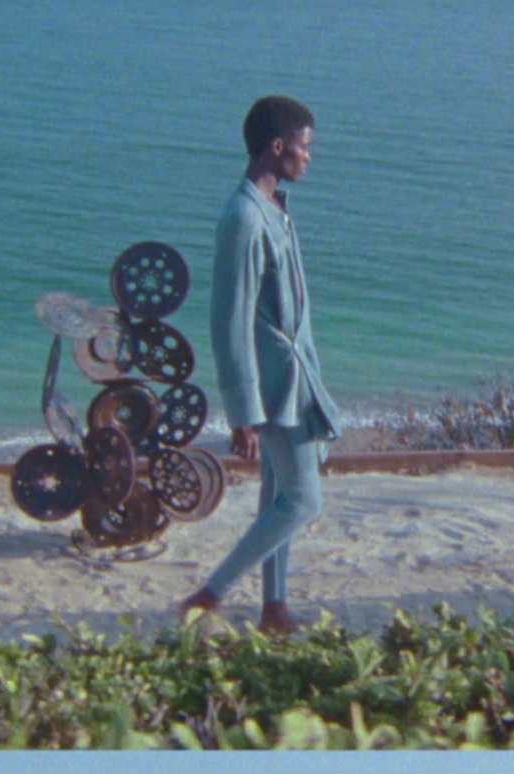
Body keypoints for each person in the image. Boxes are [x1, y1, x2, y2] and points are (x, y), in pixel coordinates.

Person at [179, 95, 341, 635]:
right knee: (303, 501)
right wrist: (241, 412)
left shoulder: (275, 208)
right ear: (278, 147)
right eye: (305, 147)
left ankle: (274, 608)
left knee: (277, 496)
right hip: (271, 388)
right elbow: (229, 320)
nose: (309, 157)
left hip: (296, 383)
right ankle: (207, 594)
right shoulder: (243, 218)